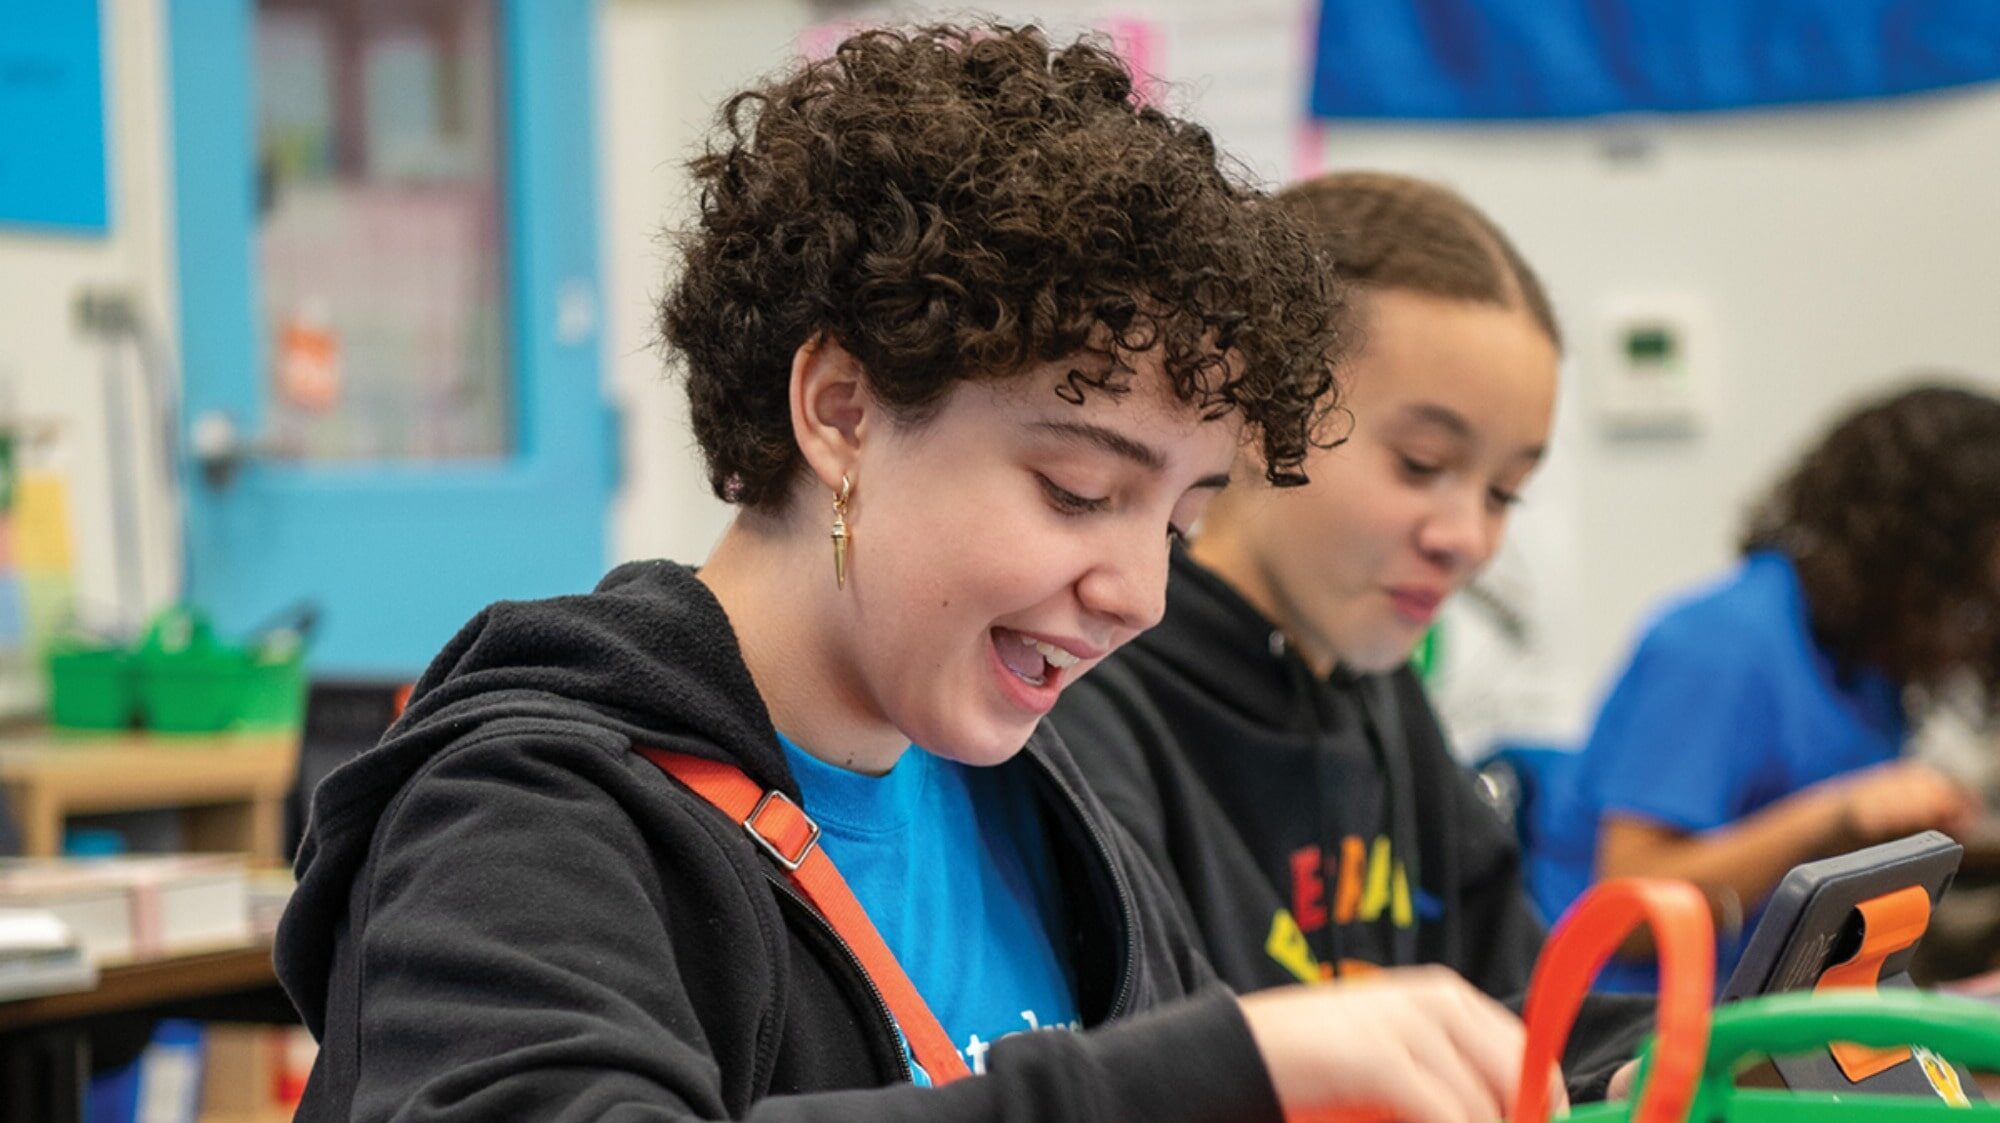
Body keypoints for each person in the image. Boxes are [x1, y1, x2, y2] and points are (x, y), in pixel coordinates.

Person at [274, 25, 1555, 1123]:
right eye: (1077, 492)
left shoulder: (1030, 808)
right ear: (839, 409)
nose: (1137, 595)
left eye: (1172, 523)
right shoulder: (521, 813)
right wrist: (1187, 1078)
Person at [1049, 170, 1651, 1100]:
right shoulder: (1097, 696)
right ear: (1259, 418)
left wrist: (1702, 1046)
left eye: (1503, 493)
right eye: (1422, 465)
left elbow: (1519, 1014)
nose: (1470, 539)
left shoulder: (1377, 689)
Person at [1533, 382, 2000, 990]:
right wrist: (1837, 816)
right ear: (1917, 555)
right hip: (1629, 1035)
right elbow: (1629, 914)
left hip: (1770, 1021)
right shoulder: (1720, 644)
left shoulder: (1870, 669)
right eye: (1974, 597)